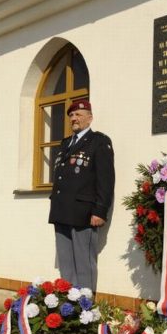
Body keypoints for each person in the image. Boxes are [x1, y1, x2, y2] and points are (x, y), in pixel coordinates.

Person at [48, 100, 115, 292]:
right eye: (71, 115)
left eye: (78, 114)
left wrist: (100, 210)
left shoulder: (99, 142)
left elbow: (106, 180)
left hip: (84, 213)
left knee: (84, 264)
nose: (74, 119)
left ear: (90, 117)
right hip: (61, 211)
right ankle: (68, 306)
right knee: (66, 263)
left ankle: (86, 309)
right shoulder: (65, 143)